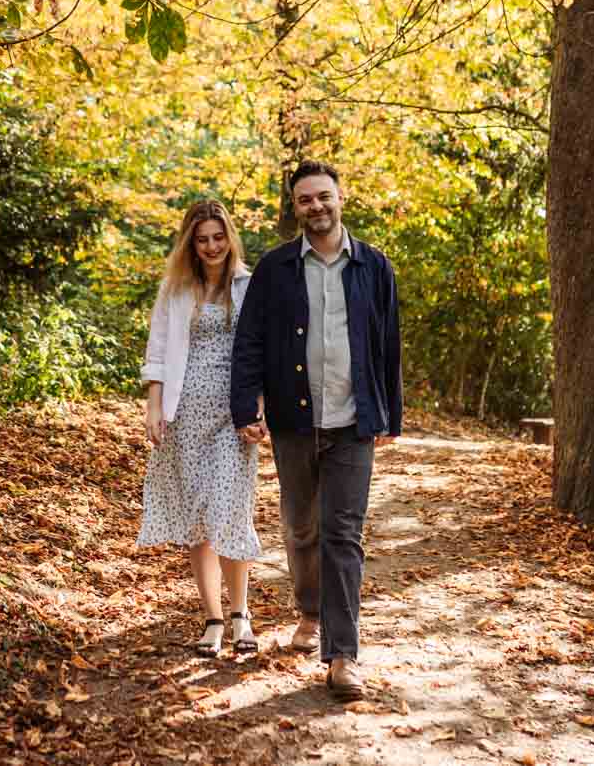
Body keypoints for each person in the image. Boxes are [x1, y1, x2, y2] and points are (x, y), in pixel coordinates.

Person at [230, 160, 402, 701]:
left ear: (340, 197)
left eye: (324, 196)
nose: (316, 207)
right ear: (295, 206)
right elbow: (250, 342)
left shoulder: (374, 266)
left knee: (342, 535)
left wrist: (388, 413)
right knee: (301, 528)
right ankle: (308, 611)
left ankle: (343, 654)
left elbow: (388, 344)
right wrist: (246, 407)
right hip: (293, 421)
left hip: (352, 424)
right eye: (305, 200)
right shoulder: (275, 269)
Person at [137, 200, 263, 657]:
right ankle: (212, 618)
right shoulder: (176, 290)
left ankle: (241, 615)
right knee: (198, 519)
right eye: (202, 238)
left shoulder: (249, 286)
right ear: (190, 242)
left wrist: (260, 408)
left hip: (233, 418)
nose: (211, 246)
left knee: (230, 511)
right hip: (185, 412)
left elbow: (261, 353)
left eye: (218, 236)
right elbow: (157, 351)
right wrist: (154, 405)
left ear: (229, 236)